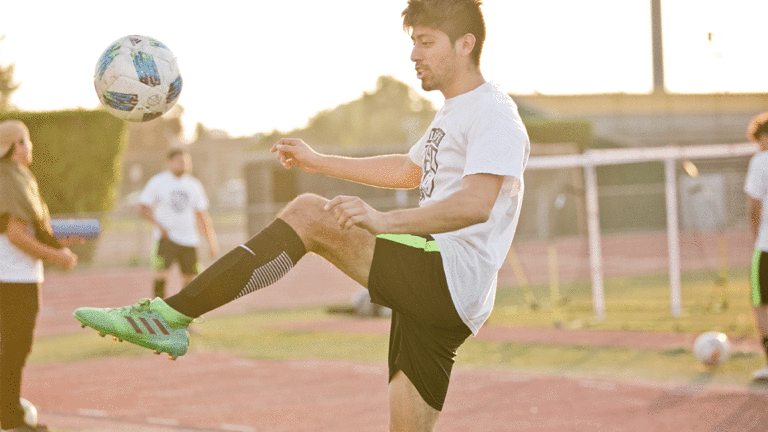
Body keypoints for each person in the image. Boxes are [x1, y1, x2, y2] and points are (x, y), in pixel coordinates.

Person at [74, 0, 530, 429]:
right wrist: (319, 161)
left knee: (310, 214)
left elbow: (476, 203)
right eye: (413, 41)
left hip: (450, 273)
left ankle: (169, 317)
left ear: (466, 44)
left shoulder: (492, 112)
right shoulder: (452, 113)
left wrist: (385, 221)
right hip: (442, 293)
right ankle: (170, 318)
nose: (414, 53)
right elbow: (410, 170)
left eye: (426, 42)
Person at [0, 120, 78, 432]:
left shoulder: (13, 177)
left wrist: (59, 241)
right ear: (16, 146)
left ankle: (8, 413)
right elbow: (15, 233)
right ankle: (10, 419)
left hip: (11, 276)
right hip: (13, 278)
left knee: (10, 347)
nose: (30, 147)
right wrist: (56, 255)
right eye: (26, 142)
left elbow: (23, 228)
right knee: (15, 348)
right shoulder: (11, 179)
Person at [138, 149, 218, 298]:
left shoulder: (194, 185)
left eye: (187, 162)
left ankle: (184, 316)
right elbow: (142, 209)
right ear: (169, 163)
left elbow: (202, 216)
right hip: (166, 239)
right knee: (161, 275)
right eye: (180, 161)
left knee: (191, 279)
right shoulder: (158, 181)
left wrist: (211, 242)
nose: (184, 165)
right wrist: (159, 226)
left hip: (189, 240)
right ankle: (158, 314)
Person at [744, 111, 768, 382]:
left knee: (761, 306)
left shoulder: (761, 160)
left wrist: (755, 235)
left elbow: (753, 204)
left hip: (767, 246)